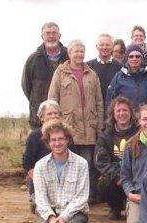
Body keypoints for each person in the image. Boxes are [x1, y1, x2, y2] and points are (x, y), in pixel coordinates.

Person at [48, 39, 104, 204]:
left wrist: (99, 125)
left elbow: (99, 102)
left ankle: (88, 197)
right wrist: (56, 126)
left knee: (87, 164)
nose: (79, 54)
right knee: (68, 163)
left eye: (81, 51)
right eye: (76, 51)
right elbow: (52, 100)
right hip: (68, 128)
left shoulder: (92, 74)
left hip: (89, 128)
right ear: (69, 53)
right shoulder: (60, 73)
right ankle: (67, 198)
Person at [95, 96, 138, 220]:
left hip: (135, 176)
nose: (121, 113)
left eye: (125, 110)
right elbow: (101, 162)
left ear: (131, 113)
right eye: (118, 111)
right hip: (116, 179)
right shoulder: (105, 135)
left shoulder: (139, 133)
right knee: (104, 183)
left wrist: (129, 177)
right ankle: (116, 208)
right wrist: (118, 176)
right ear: (113, 114)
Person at [22, 22, 68, 129]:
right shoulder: (33, 60)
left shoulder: (69, 57)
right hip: (39, 120)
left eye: (54, 33)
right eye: (48, 33)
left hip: (65, 118)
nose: (51, 36)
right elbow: (26, 86)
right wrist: (39, 103)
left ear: (59, 36)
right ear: (42, 36)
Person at [22, 100, 62, 214]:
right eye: (49, 114)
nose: (53, 116)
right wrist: (40, 181)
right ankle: (36, 199)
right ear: (42, 118)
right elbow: (27, 163)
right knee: (43, 209)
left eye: (56, 113)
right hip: (40, 177)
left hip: (61, 177)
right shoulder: (34, 136)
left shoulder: (66, 135)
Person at [105, 44, 147, 112]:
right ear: (127, 58)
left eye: (137, 56)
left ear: (142, 59)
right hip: (126, 117)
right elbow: (110, 100)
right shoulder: (119, 76)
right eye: (131, 56)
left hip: (145, 118)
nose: (134, 59)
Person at [86, 33, 121, 102]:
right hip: (93, 108)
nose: (104, 47)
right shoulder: (88, 66)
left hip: (113, 108)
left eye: (107, 45)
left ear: (113, 46)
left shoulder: (119, 67)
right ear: (97, 47)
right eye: (101, 45)